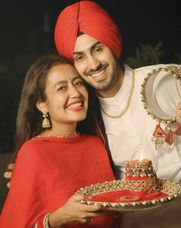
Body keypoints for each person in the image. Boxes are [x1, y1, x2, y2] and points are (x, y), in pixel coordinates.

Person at [52, 1, 181, 228]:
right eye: (79, 57)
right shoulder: (87, 118)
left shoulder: (166, 80)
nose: (93, 64)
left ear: (112, 44)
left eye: (98, 49)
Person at [0, 54, 117, 227]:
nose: (76, 93)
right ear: (42, 105)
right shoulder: (33, 153)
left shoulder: (95, 144)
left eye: (78, 83)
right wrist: (57, 218)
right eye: (62, 88)